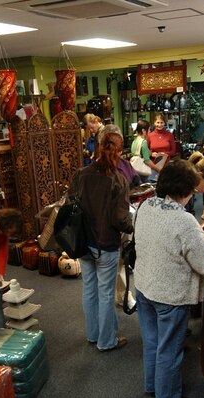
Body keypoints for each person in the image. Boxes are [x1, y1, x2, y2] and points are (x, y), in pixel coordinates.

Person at [134, 160, 204, 398]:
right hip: (170, 294)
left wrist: (195, 238)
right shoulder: (185, 221)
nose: (194, 194)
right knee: (170, 349)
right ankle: (168, 397)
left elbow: (160, 238)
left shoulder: (146, 205)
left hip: (144, 284)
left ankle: (152, 386)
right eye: (193, 190)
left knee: (152, 342)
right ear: (185, 190)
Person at [72, 130, 133, 352]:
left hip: (83, 241)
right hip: (106, 244)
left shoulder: (81, 174)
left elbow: (71, 204)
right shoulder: (118, 180)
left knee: (89, 289)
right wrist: (132, 227)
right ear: (119, 151)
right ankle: (107, 341)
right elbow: (120, 219)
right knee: (106, 293)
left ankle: (93, 335)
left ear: (98, 147)